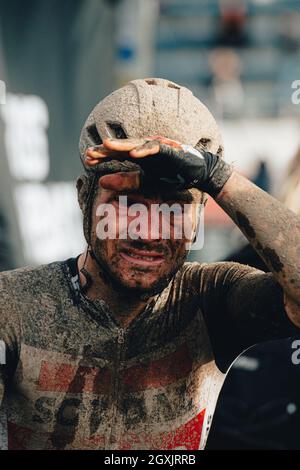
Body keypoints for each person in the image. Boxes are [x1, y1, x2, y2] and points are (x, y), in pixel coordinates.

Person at [0, 78, 300, 451]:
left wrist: (218, 178)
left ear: (200, 214)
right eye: (126, 201)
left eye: (175, 206)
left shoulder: (211, 298)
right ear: (84, 198)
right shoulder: (12, 304)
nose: (149, 232)